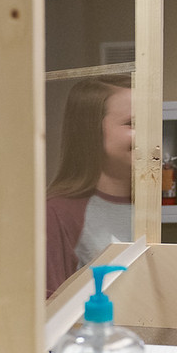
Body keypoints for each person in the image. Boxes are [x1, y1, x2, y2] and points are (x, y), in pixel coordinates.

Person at [46, 73, 134, 296]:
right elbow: (48, 312)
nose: (150, 134)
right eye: (131, 123)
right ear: (91, 129)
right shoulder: (55, 213)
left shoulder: (148, 204)